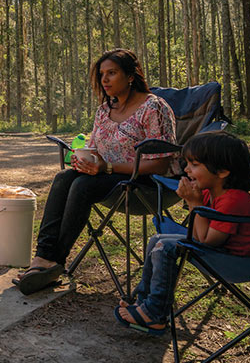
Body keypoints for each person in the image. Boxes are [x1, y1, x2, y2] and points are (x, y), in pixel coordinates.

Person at [17, 48, 178, 295]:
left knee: (83, 186)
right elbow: (98, 151)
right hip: (107, 177)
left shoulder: (153, 107)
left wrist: (107, 167)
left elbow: (160, 164)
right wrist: (85, 161)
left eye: (112, 73)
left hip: (145, 184)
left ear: (130, 75)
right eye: (102, 74)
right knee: (64, 177)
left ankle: (54, 263)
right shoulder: (104, 110)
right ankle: (42, 257)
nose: (104, 80)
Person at [114, 131, 250, 335]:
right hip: (224, 249)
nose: (187, 170)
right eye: (187, 163)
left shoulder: (233, 200)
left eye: (194, 164)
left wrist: (194, 202)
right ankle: (144, 302)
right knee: (157, 239)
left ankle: (155, 315)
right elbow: (198, 235)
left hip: (240, 260)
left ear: (222, 171)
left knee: (165, 247)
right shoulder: (211, 192)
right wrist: (196, 201)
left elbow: (205, 241)